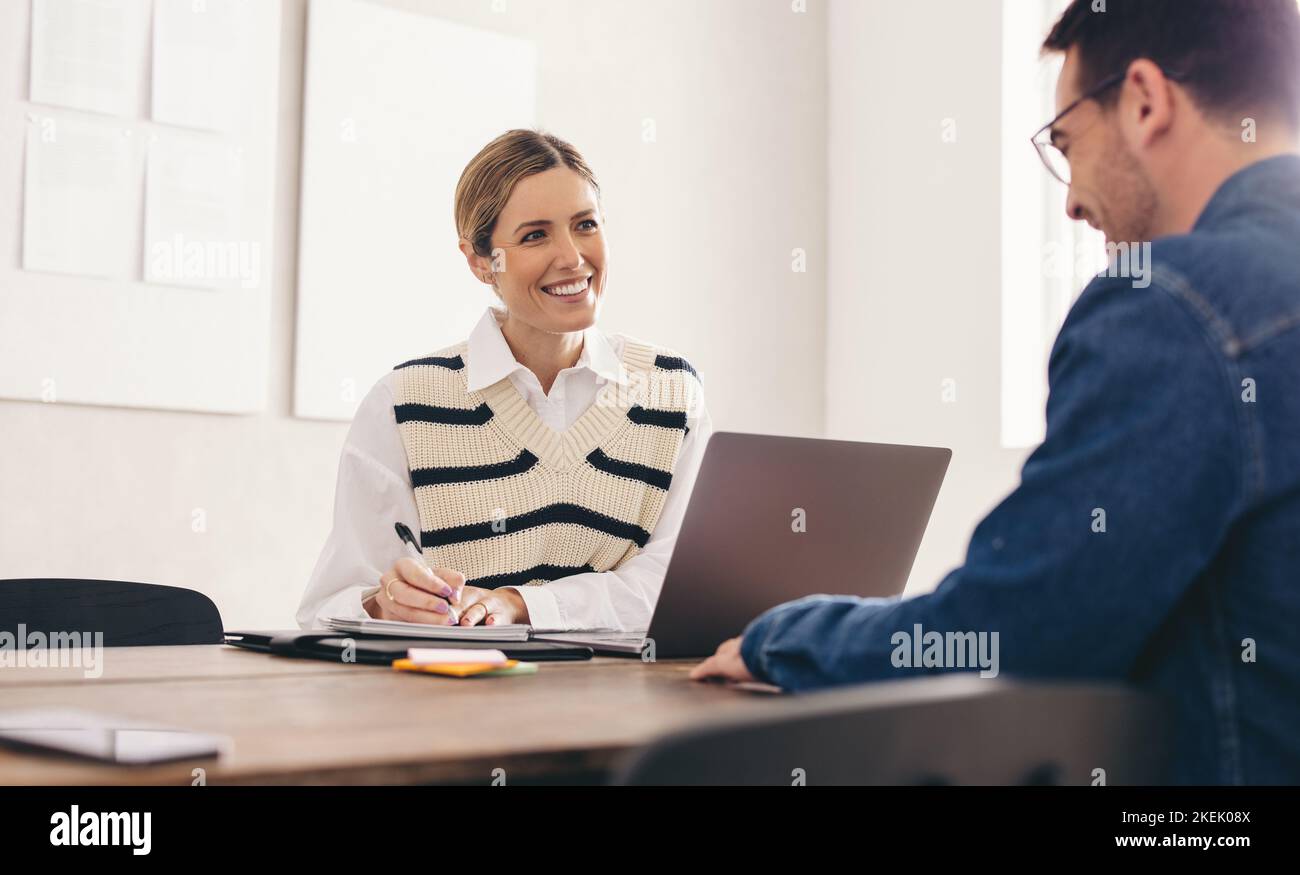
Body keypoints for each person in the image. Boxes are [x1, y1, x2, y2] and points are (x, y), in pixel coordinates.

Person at [693, 0, 1300, 785]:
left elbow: (1012, 628)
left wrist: (782, 634)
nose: (1073, 200)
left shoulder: (1173, 304)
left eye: (1067, 142)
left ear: (1145, 100)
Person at [298, 129, 710, 633]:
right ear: (479, 261)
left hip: (626, 702)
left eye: (585, 225)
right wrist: (384, 605)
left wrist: (519, 605)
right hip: (455, 703)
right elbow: (325, 611)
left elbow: (675, 588)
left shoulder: (671, 393)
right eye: (536, 235)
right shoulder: (403, 403)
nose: (573, 257)